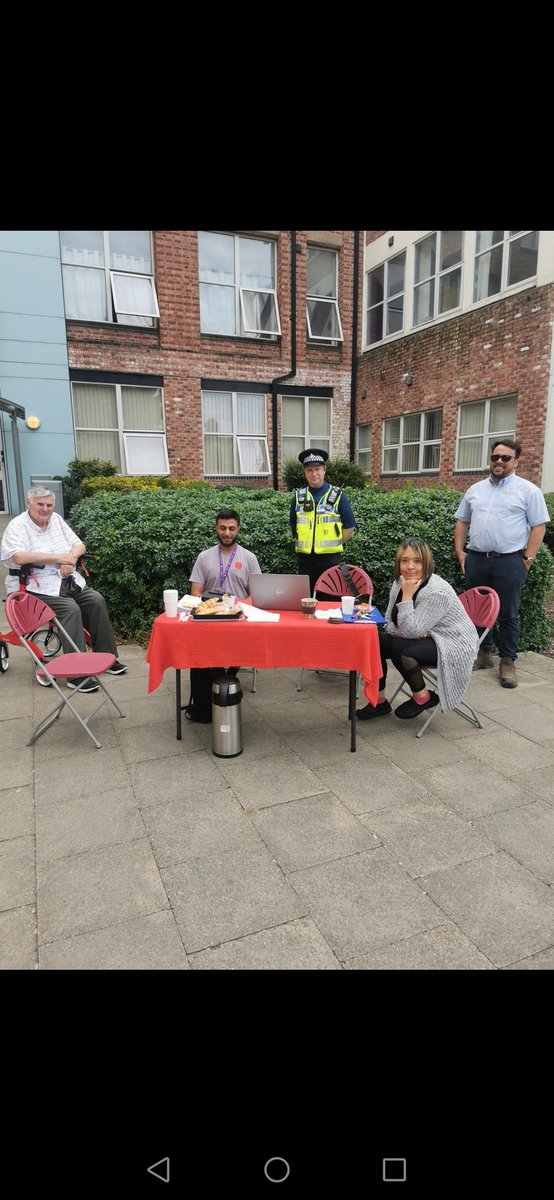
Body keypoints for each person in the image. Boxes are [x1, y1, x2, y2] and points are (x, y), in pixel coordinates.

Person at [1, 485, 126, 693]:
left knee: (96, 600)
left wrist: (72, 559)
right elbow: (19, 557)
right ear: (28, 503)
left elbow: (79, 545)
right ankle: (76, 675)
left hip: (65, 580)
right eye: (40, 504)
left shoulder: (56, 520)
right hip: (32, 587)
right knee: (70, 609)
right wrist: (60, 558)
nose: (46, 509)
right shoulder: (17, 526)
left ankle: (107, 658)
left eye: (49, 505)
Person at [454, 439, 549, 689]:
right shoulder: (475, 489)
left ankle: (507, 661)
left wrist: (528, 558)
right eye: (495, 457)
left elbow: (538, 525)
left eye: (505, 458)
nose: (499, 461)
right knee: (477, 610)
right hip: (477, 559)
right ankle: (483, 654)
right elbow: (462, 521)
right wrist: (460, 552)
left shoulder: (528, 490)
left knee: (508, 614)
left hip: (509, 561)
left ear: (516, 461)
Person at [356, 538, 478, 721]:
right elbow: (389, 621)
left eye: (417, 561)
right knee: (376, 641)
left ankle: (423, 697)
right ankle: (378, 701)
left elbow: (407, 631)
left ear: (426, 562)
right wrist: (406, 630)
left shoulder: (437, 592)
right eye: (404, 561)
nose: (410, 566)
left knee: (401, 648)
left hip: (453, 643)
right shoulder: (400, 582)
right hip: (428, 636)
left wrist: (407, 598)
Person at [185, 508, 261, 722]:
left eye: (231, 528)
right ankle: (214, 689)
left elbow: (255, 594)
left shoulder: (249, 558)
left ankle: (224, 677)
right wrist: (210, 608)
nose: (227, 533)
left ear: (238, 530)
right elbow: (195, 592)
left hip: (238, 618)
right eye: (222, 528)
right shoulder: (204, 557)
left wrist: (238, 608)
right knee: (198, 654)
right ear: (216, 528)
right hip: (209, 617)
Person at [290, 449, 356, 597]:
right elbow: (294, 526)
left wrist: (336, 542)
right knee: (305, 603)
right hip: (305, 561)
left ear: (324, 470)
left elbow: (349, 525)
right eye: (309, 470)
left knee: (329, 603)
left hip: (330, 561)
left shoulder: (338, 496)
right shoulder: (298, 497)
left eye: (318, 469)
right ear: (305, 472)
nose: (314, 474)